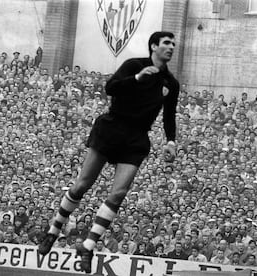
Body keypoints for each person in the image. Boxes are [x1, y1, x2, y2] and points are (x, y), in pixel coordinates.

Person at [38, 31, 179, 273]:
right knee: (81, 185)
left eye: (173, 44)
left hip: (136, 138)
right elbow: (110, 88)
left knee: (119, 193)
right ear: (154, 46)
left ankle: (88, 245)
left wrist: (171, 142)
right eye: (166, 43)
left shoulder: (170, 83)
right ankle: (54, 230)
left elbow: (169, 115)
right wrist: (137, 77)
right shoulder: (135, 65)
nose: (171, 47)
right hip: (112, 128)